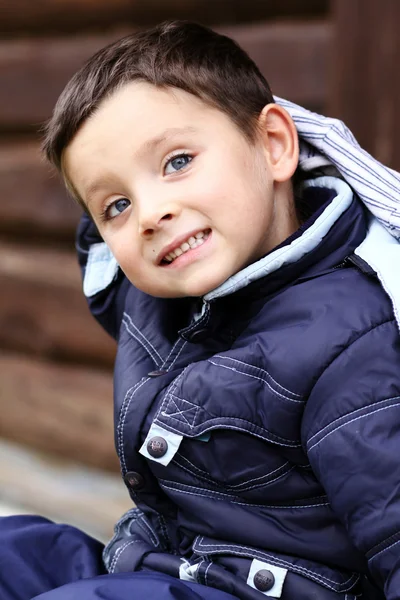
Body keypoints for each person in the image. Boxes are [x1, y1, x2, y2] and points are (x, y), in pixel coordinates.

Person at [5, 20, 400, 600]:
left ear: (273, 146)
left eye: (177, 162)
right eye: (117, 203)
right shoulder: (155, 297)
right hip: (161, 565)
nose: (150, 213)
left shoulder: (349, 345)